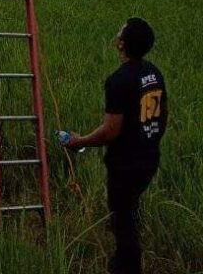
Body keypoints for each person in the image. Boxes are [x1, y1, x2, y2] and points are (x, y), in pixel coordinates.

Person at [62, 17, 167, 274]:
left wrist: (79, 141)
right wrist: (149, 140)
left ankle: (126, 266)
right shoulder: (154, 73)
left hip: (126, 164)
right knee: (129, 208)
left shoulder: (118, 81)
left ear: (122, 44)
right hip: (149, 157)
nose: (118, 32)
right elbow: (163, 115)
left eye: (121, 30)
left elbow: (110, 131)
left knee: (123, 221)